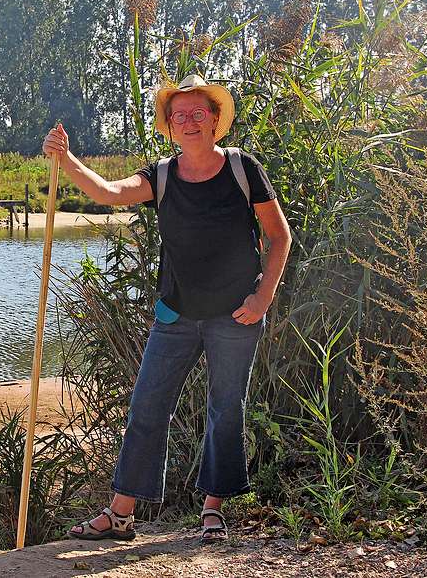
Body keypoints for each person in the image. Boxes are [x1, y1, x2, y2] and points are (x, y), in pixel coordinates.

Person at [42, 74, 291, 543]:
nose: (190, 122)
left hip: (235, 315)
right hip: (175, 314)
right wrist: (68, 160)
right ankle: (120, 515)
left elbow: (279, 236)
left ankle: (212, 509)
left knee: (225, 408)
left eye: (200, 113)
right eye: (181, 115)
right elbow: (110, 193)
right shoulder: (160, 175)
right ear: (170, 125)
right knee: (148, 407)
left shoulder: (243, 169)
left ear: (215, 120)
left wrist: (263, 298)